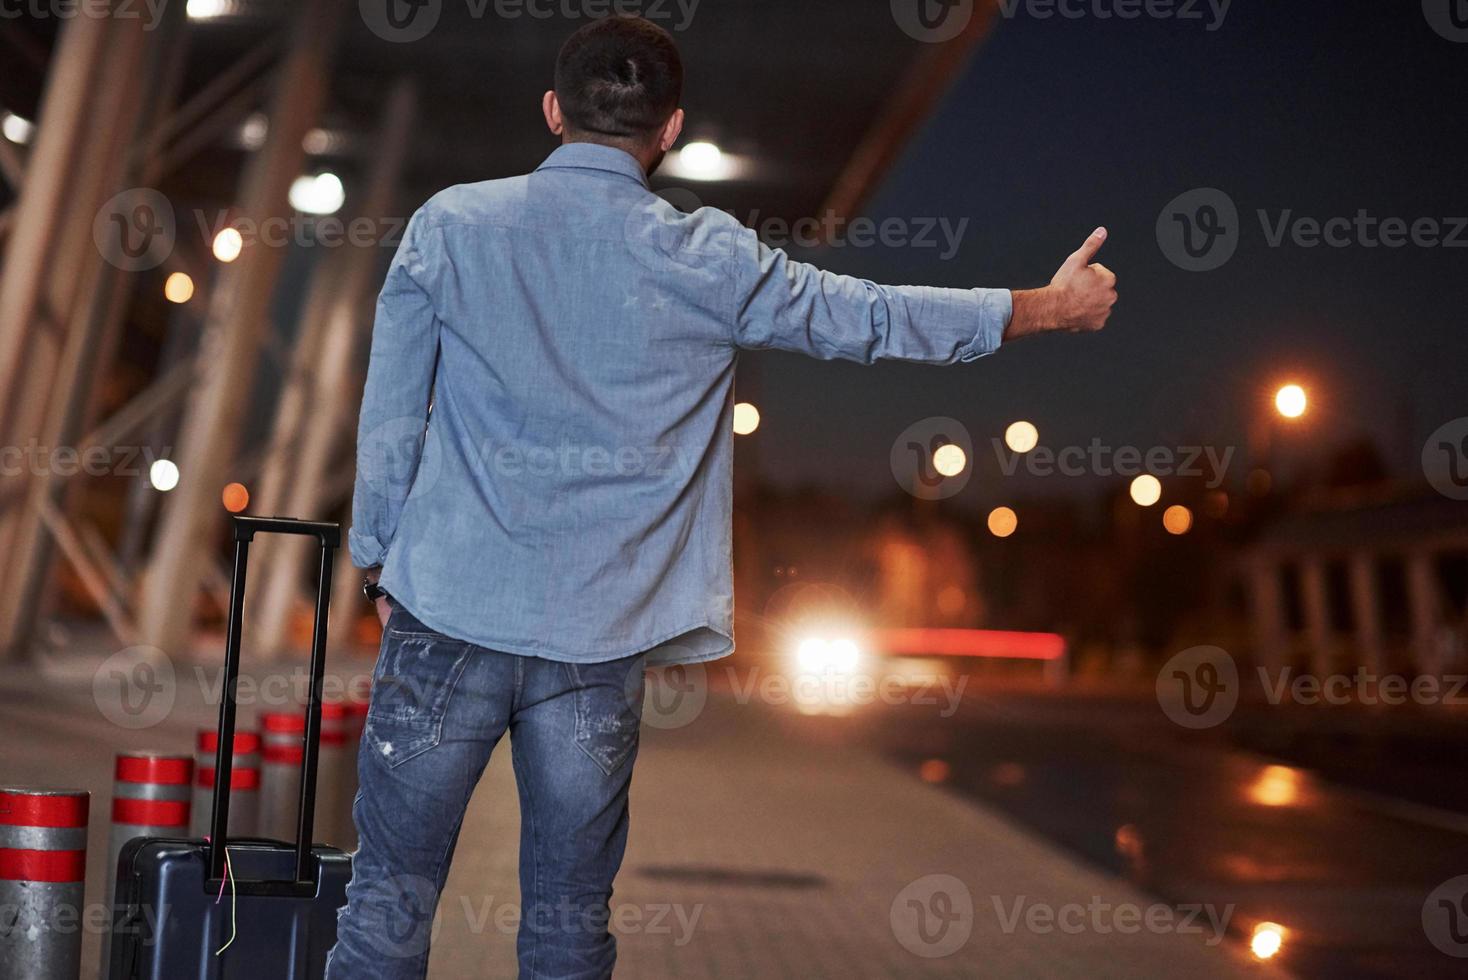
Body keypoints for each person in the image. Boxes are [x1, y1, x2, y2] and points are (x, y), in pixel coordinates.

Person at [327, 14, 1116, 979]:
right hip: (600, 642)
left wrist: (378, 557)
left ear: (551, 112)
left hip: (445, 616)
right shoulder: (711, 259)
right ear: (671, 131)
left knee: (385, 907)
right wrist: (1045, 306)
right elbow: (868, 317)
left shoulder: (450, 226)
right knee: (570, 922)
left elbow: (391, 413)